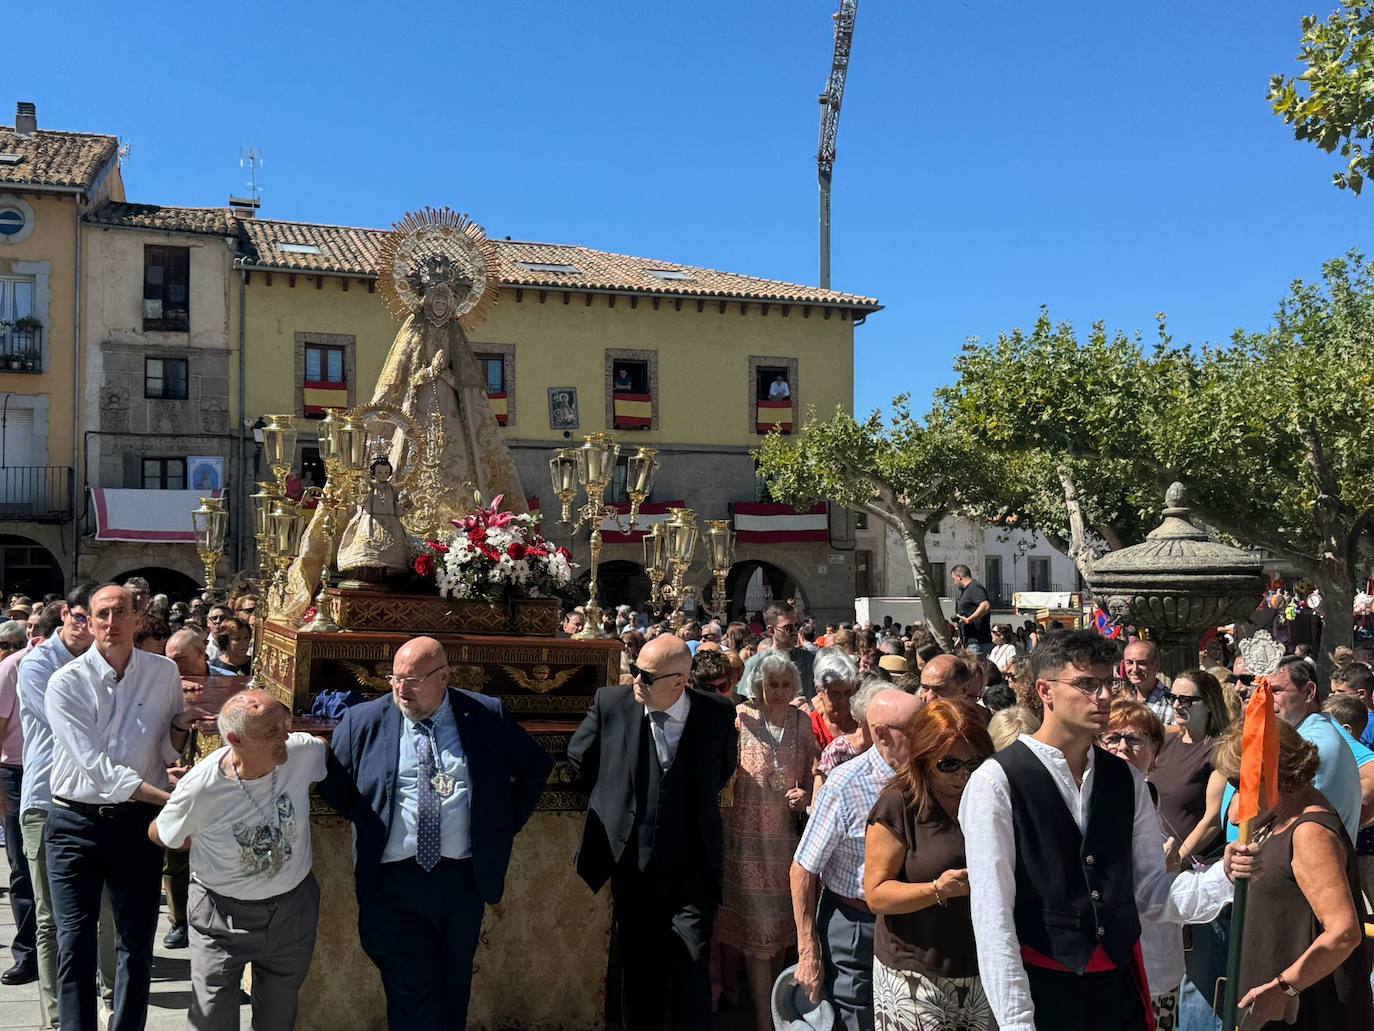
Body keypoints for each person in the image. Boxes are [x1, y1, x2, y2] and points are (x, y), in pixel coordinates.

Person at [960, 629, 1255, 1031]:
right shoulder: (996, 782)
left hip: (1118, 990)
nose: (1102, 696)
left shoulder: (1124, 779)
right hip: (1044, 990)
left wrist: (1223, 874)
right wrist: (1016, 1021)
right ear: (1045, 691)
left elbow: (1150, 891)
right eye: (1085, 684)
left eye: (1107, 683)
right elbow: (993, 916)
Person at [320, 635, 551, 1030]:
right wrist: (366, 817)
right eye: (394, 679)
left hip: (459, 879)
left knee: (453, 983)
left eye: (412, 680)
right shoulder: (364, 720)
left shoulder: (484, 714)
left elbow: (534, 767)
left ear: (444, 676)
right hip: (394, 878)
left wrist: (500, 826)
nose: (400, 689)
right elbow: (333, 782)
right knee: (412, 989)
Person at [44, 584, 204, 1031]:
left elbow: (167, 751)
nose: (111, 623)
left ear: (137, 619)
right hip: (75, 822)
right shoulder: (66, 683)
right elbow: (95, 768)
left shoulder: (163, 672)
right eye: (101, 615)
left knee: (135, 943)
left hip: (136, 825)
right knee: (75, 942)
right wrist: (169, 800)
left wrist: (177, 727)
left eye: (120, 613)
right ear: (87, 622)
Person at [566, 634, 737, 1030]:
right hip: (633, 866)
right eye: (634, 670)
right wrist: (614, 796)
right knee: (639, 973)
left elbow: (721, 769)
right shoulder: (612, 705)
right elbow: (580, 757)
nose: (635, 680)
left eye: (645, 676)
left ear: (678, 682)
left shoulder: (715, 714)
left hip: (691, 867)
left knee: (691, 969)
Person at [151, 691, 334, 1030]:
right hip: (221, 916)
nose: (285, 736)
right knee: (212, 1019)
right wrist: (203, 838)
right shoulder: (201, 786)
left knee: (278, 1018)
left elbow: (324, 747)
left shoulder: (299, 751)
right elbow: (161, 834)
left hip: (291, 910)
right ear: (235, 739)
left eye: (285, 725)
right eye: (271, 732)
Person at [1217, 720, 1374, 1029]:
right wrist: (1232, 861)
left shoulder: (1310, 831)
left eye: (1242, 781)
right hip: (1274, 1004)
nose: (1238, 792)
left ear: (1274, 772)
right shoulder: (1279, 816)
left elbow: (1343, 933)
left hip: (1310, 1010)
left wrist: (1285, 987)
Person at [791, 690, 922, 1031]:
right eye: (915, 730)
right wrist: (808, 950)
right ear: (882, 734)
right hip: (855, 925)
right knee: (857, 1020)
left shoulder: (929, 776)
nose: (927, 738)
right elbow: (804, 867)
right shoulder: (846, 784)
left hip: (915, 925)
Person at [864, 699, 995, 1030]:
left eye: (974, 764)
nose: (963, 775)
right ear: (923, 759)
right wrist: (938, 890)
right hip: (914, 975)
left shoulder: (990, 798)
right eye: (949, 765)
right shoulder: (899, 803)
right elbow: (876, 894)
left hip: (981, 968)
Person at [716, 653, 818, 1031]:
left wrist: (805, 794)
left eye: (785, 685)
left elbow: (815, 772)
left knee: (780, 936)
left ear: (794, 687)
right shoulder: (741, 720)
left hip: (786, 844)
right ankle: (764, 1022)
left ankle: (777, 1012)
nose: (777, 692)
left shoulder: (802, 722)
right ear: (757, 684)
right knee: (760, 936)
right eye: (771, 684)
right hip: (746, 842)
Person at [16, 588, 93, 1030]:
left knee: (97, 918)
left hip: (92, 801)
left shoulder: (105, 662)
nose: (89, 627)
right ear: (65, 615)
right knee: (49, 918)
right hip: (45, 802)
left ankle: (99, 1001)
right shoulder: (38, 663)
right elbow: (69, 723)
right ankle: (54, 1017)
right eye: (82, 617)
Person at [1098, 699, 1184, 1031]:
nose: (1124, 747)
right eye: (1113, 738)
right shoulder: (1090, 799)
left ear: (1155, 750)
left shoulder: (1151, 793)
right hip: (1115, 962)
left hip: (1159, 960)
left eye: (1135, 739)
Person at [1267, 654, 1362, 842]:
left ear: (1309, 692)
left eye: (1276, 691)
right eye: (1261, 691)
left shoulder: (1310, 743)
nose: (1265, 700)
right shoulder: (1318, 728)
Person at [1155, 668, 1233, 867]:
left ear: (1208, 704)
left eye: (1186, 700)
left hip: (1193, 865)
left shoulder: (1220, 750)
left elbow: (1212, 820)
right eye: (1172, 697)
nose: (1176, 705)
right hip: (1153, 857)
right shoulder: (1165, 741)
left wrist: (1177, 860)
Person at [0, 615, 40, 986]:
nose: (38, 635)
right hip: (16, 773)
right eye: (34, 628)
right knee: (22, 868)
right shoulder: (12, 668)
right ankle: (27, 953)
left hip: (60, 776)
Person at [815, 674, 885, 784]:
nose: (883, 728)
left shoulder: (888, 749)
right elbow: (820, 796)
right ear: (862, 718)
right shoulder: (838, 750)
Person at [739, 602, 815, 702]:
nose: (794, 632)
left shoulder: (810, 660)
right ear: (771, 630)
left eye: (797, 626)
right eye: (788, 628)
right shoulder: (755, 664)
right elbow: (746, 705)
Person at [809, 649, 859, 750]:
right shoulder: (811, 726)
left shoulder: (860, 718)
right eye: (835, 694)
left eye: (848, 692)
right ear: (819, 690)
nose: (843, 700)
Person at [1123, 639, 1174, 726]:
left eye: (1141, 663)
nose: (1135, 669)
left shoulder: (1172, 704)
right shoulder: (1121, 701)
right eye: (1130, 663)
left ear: (1156, 665)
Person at [950, 564, 992, 660]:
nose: (954, 582)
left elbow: (985, 606)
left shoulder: (974, 588)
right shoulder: (966, 591)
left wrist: (969, 619)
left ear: (959, 577)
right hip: (969, 642)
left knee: (977, 672)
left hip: (978, 642)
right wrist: (960, 639)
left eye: (953, 579)